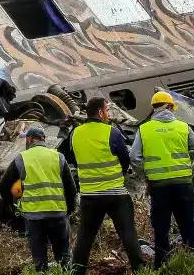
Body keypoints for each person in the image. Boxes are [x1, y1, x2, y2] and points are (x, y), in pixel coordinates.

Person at [63, 97, 145, 275]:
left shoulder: (75, 133)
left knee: (85, 237)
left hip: (89, 196)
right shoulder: (112, 132)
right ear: (100, 112)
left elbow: (72, 160)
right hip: (115, 194)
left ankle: (77, 271)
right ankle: (140, 269)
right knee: (128, 234)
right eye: (107, 110)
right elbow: (125, 160)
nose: (108, 114)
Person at [130, 91, 194, 265]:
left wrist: (146, 177)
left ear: (154, 109)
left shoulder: (144, 130)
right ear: (170, 107)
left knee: (161, 229)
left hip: (159, 187)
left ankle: (162, 265)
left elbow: (134, 157)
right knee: (189, 227)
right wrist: (191, 170)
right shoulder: (183, 127)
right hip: (183, 185)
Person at [0, 125, 77, 272]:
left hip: (34, 217)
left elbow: (4, 185)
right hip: (57, 214)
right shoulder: (58, 157)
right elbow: (71, 189)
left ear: (29, 139)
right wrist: (69, 209)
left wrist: (10, 206)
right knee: (64, 256)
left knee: (40, 259)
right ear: (43, 139)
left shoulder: (21, 159)